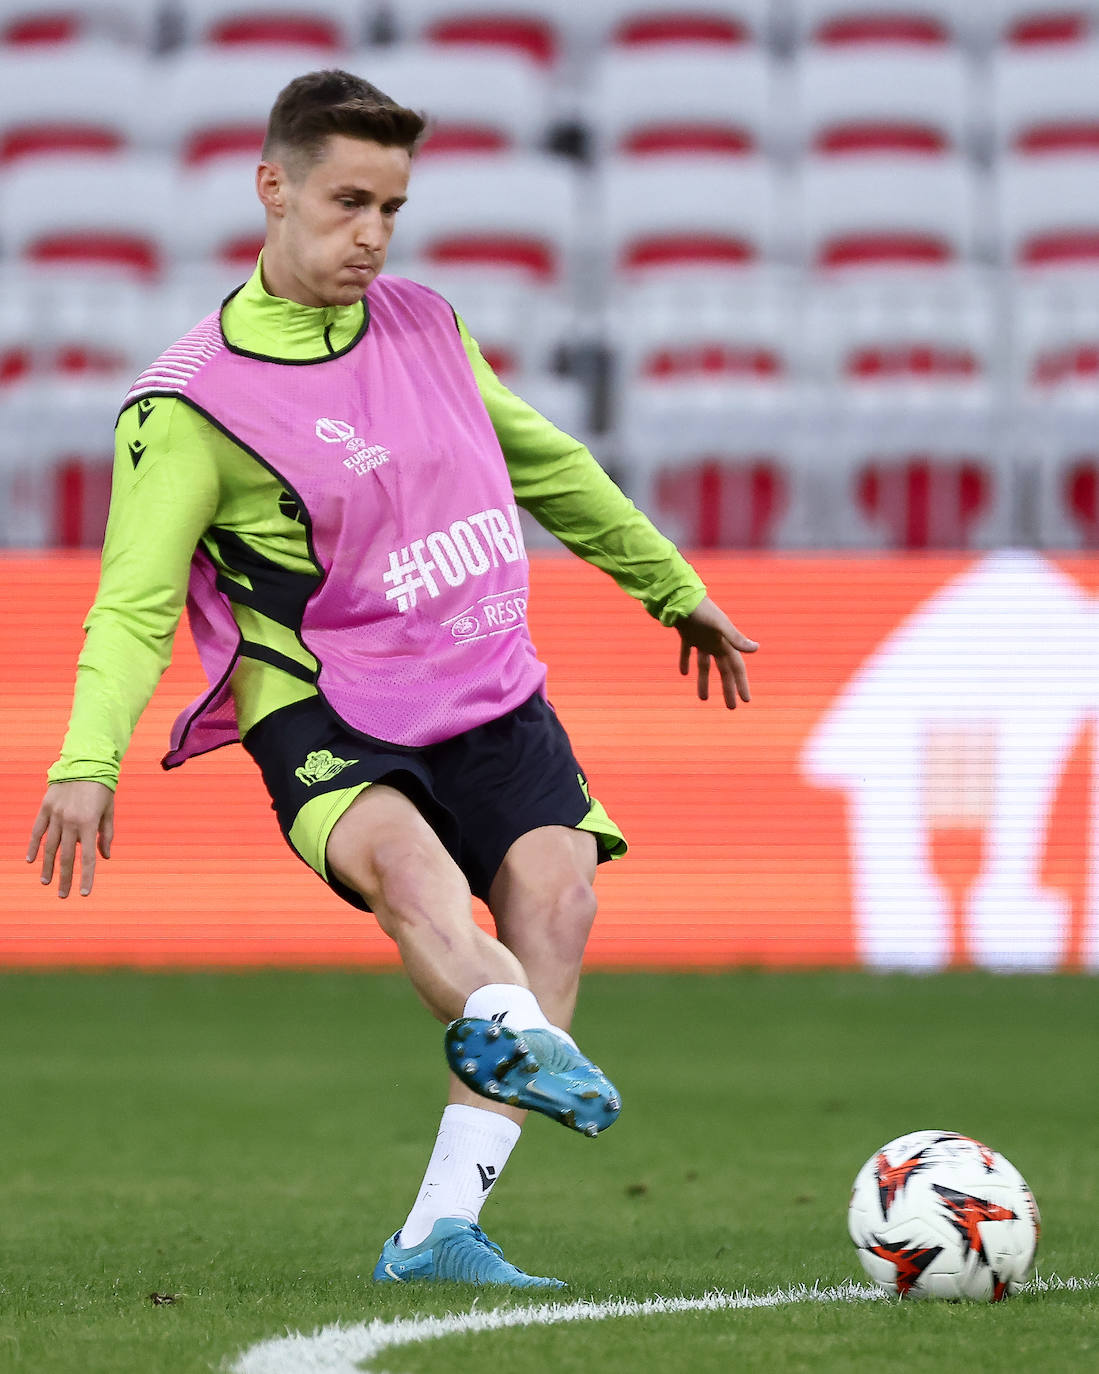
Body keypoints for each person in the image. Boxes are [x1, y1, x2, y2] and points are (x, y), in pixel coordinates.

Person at [25, 70, 758, 1288]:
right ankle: (517, 1033)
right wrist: (86, 761)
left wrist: (669, 584)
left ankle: (437, 1232)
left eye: (392, 209)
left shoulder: (424, 322)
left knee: (559, 898)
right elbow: (135, 603)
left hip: (479, 671)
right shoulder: (188, 405)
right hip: (321, 699)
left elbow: (547, 462)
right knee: (418, 883)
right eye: (347, 202)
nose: (370, 234)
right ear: (272, 188)